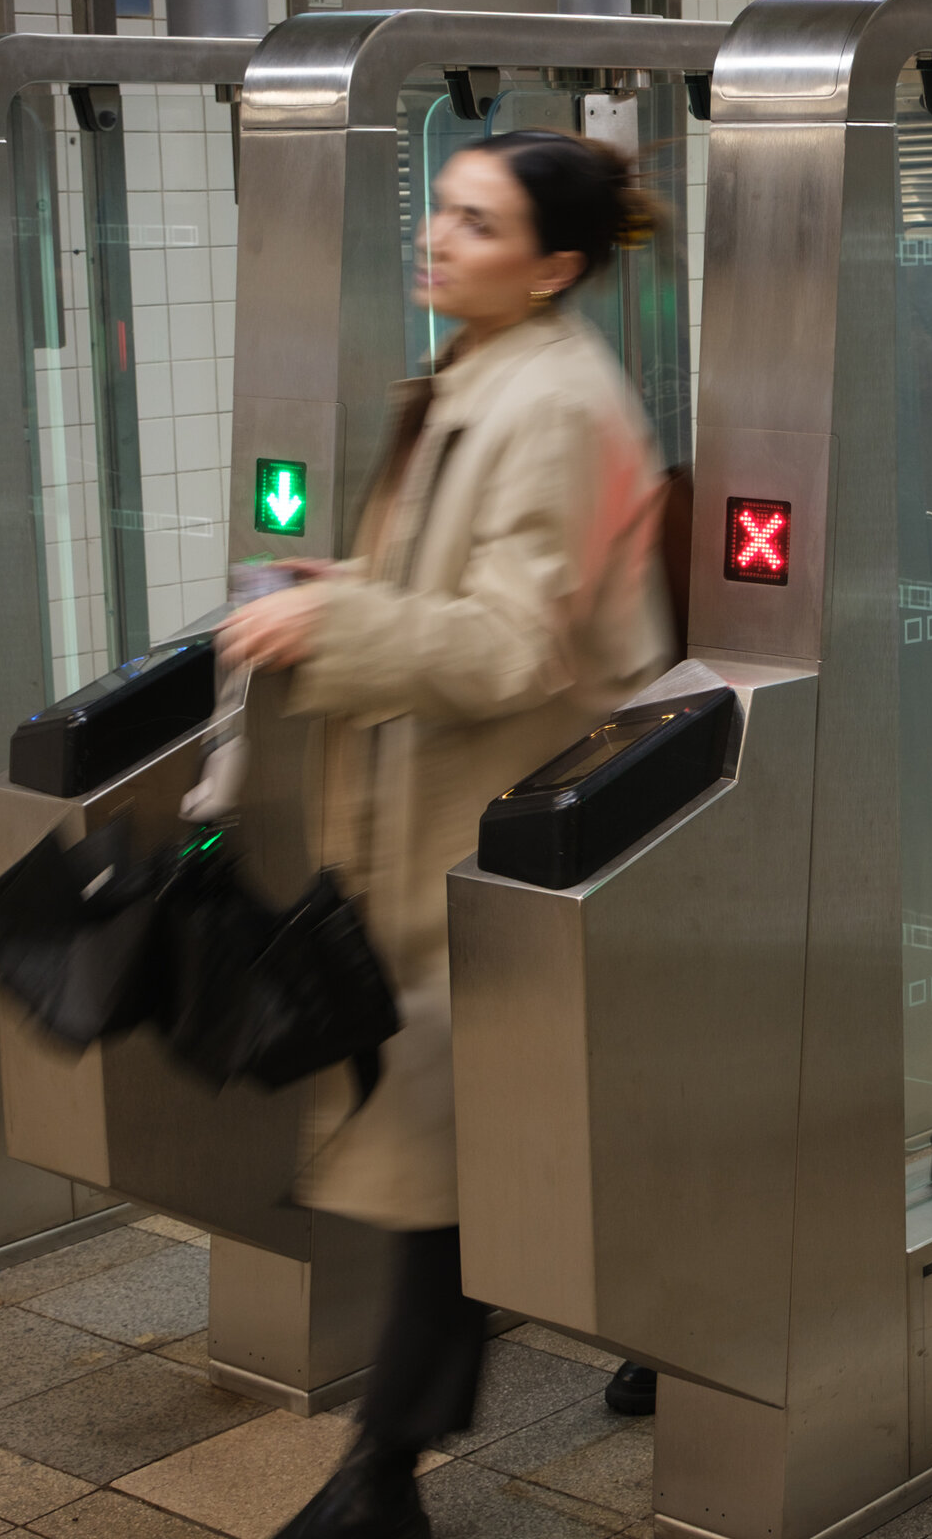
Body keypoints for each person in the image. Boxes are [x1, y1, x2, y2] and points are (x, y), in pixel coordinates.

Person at [220, 127, 674, 1539]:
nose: (437, 236)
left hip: (517, 828)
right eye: (442, 210)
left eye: (475, 225)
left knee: (454, 1149)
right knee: (518, 1125)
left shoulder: (551, 403)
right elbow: (463, 585)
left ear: (549, 271)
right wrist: (350, 579)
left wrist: (333, 622)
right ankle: (670, 1314)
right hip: (464, 818)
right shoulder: (482, 374)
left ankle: (384, 1474)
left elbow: (508, 646)